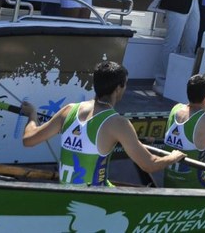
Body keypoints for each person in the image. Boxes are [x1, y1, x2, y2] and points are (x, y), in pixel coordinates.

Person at [20, 61, 185, 185]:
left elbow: (29, 139)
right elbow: (149, 164)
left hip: (66, 192)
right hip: (95, 200)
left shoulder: (68, 110)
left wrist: (32, 115)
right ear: (119, 88)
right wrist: (173, 156)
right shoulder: (118, 123)